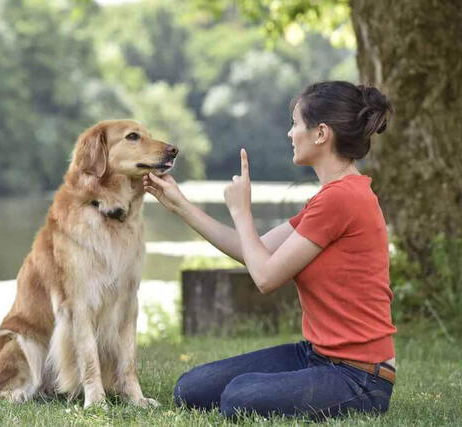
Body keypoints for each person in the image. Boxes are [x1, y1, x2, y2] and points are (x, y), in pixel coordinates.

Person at [142, 81, 396, 420]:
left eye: (295, 123)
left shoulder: (342, 199)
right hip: (318, 356)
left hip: (360, 377)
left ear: (321, 133)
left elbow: (264, 277)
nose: (290, 133)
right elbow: (255, 251)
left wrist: (242, 211)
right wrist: (180, 206)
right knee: (191, 388)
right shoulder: (329, 198)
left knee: (239, 398)